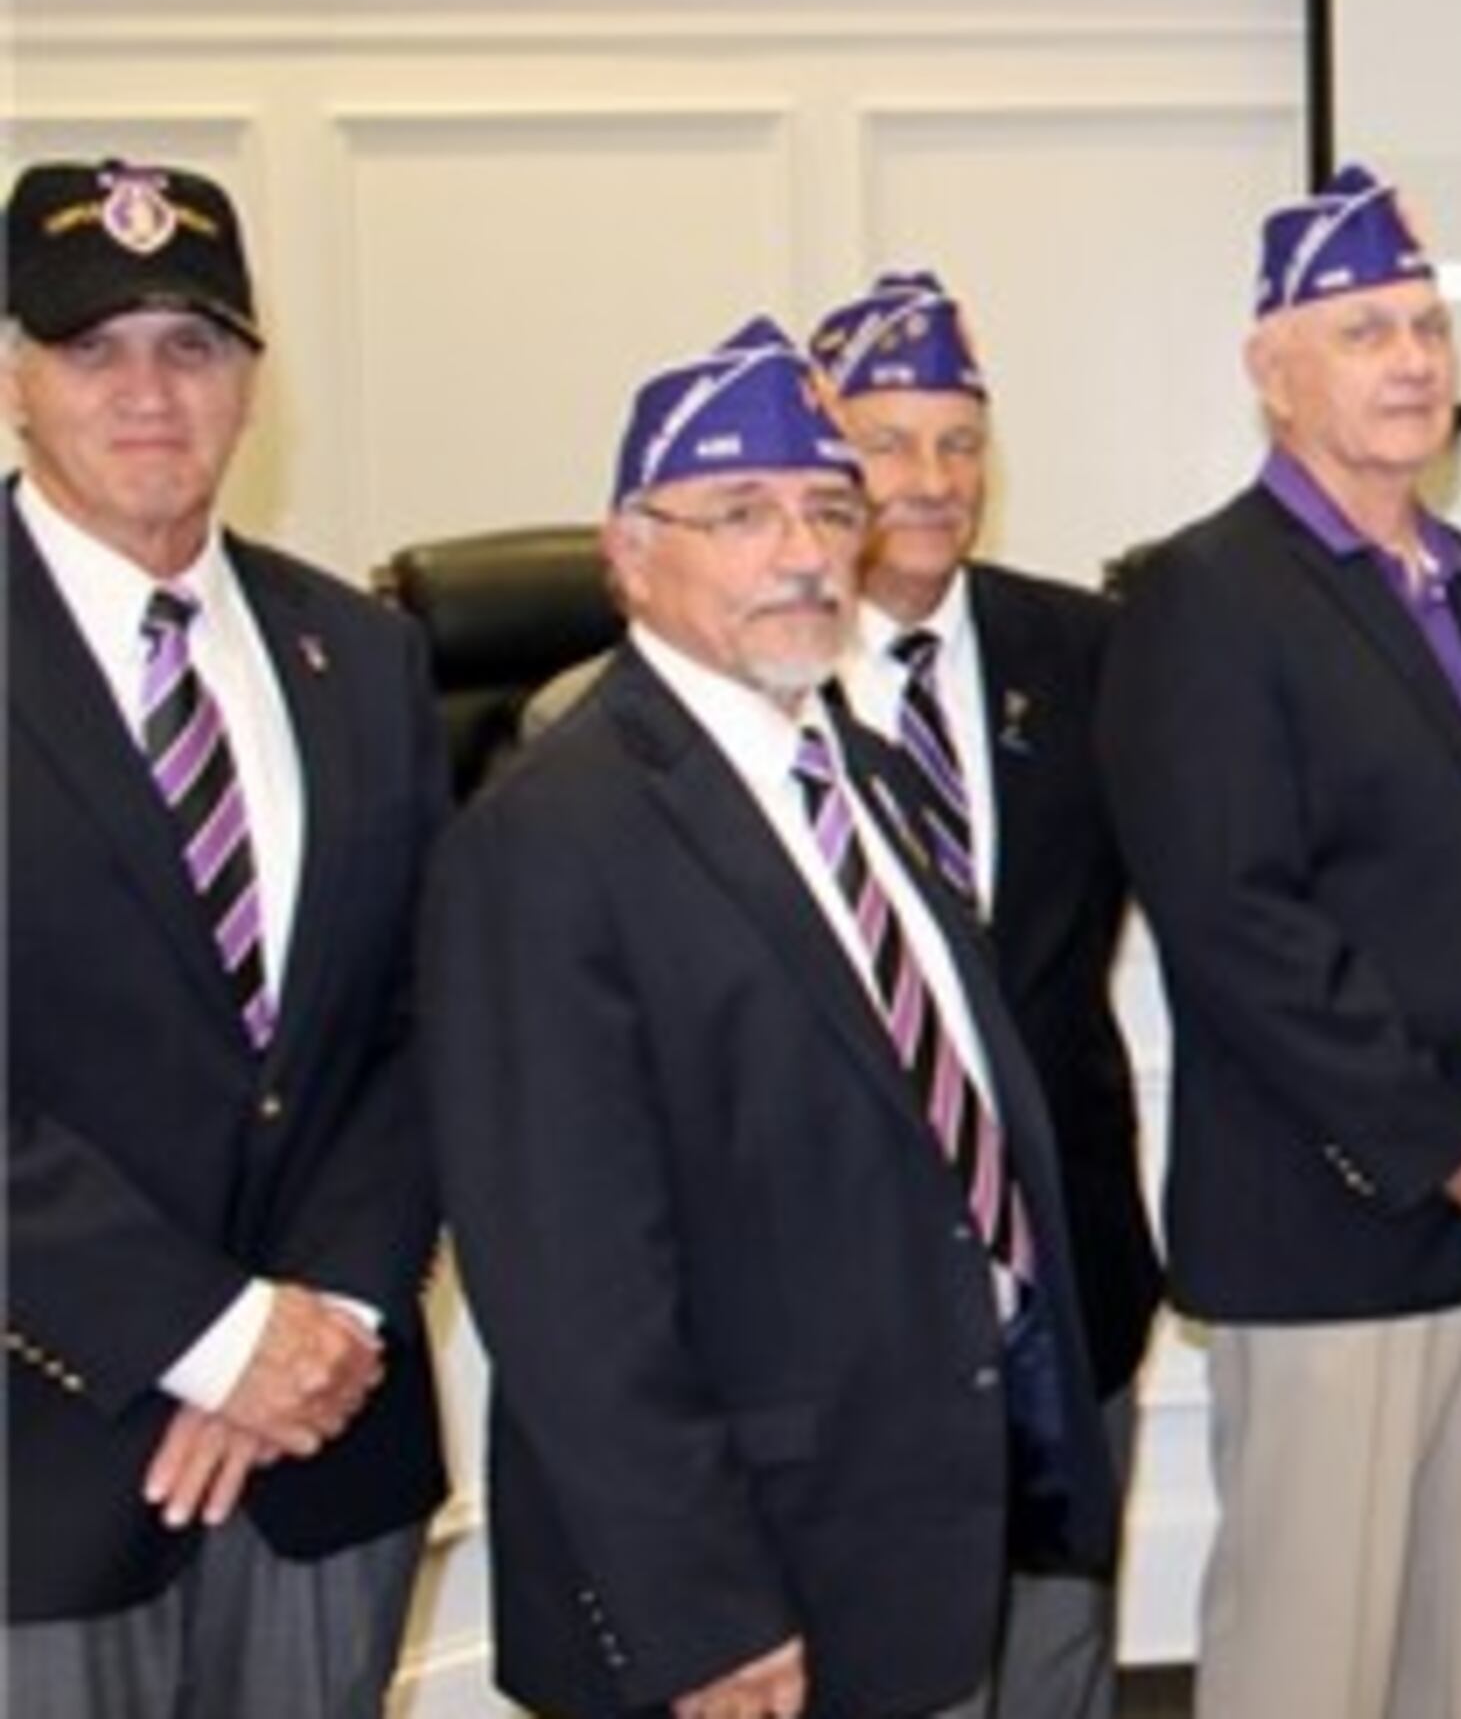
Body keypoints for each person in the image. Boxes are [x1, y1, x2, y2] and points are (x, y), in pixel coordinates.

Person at [424, 317, 1118, 1719]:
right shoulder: (552, 837)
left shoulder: (868, 777)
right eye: (741, 516)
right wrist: (703, 1615)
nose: (803, 553)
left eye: (825, 510)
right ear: (628, 553)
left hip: (925, 1514)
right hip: (746, 1585)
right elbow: (570, 1293)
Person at [1097, 162, 1461, 1719]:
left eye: (1427, 326)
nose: (1411, 360)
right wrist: (1451, 1139)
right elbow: (1238, 927)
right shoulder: (1204, 601)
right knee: (1310, 1670)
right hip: (1335, 1226)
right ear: (1274, 377)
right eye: (1362, 332)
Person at [5, 160, 450, 1719]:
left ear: (254, 381)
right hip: (40, 1459)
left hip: (328, 1445)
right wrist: (208, 1338)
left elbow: (421, 1020)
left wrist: (319, 1321)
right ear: (11, 376)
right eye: (91, 348)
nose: (148, 394)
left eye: (190, 347)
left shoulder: (367, 654)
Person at [809, 269, 1164, 1719]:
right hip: (850, 1288)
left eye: (961, 442)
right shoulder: (761, 671)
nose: (933, 480)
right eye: (889, 443)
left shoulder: (1084, 651)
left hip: (1067, 1255)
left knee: (1057, 1655)